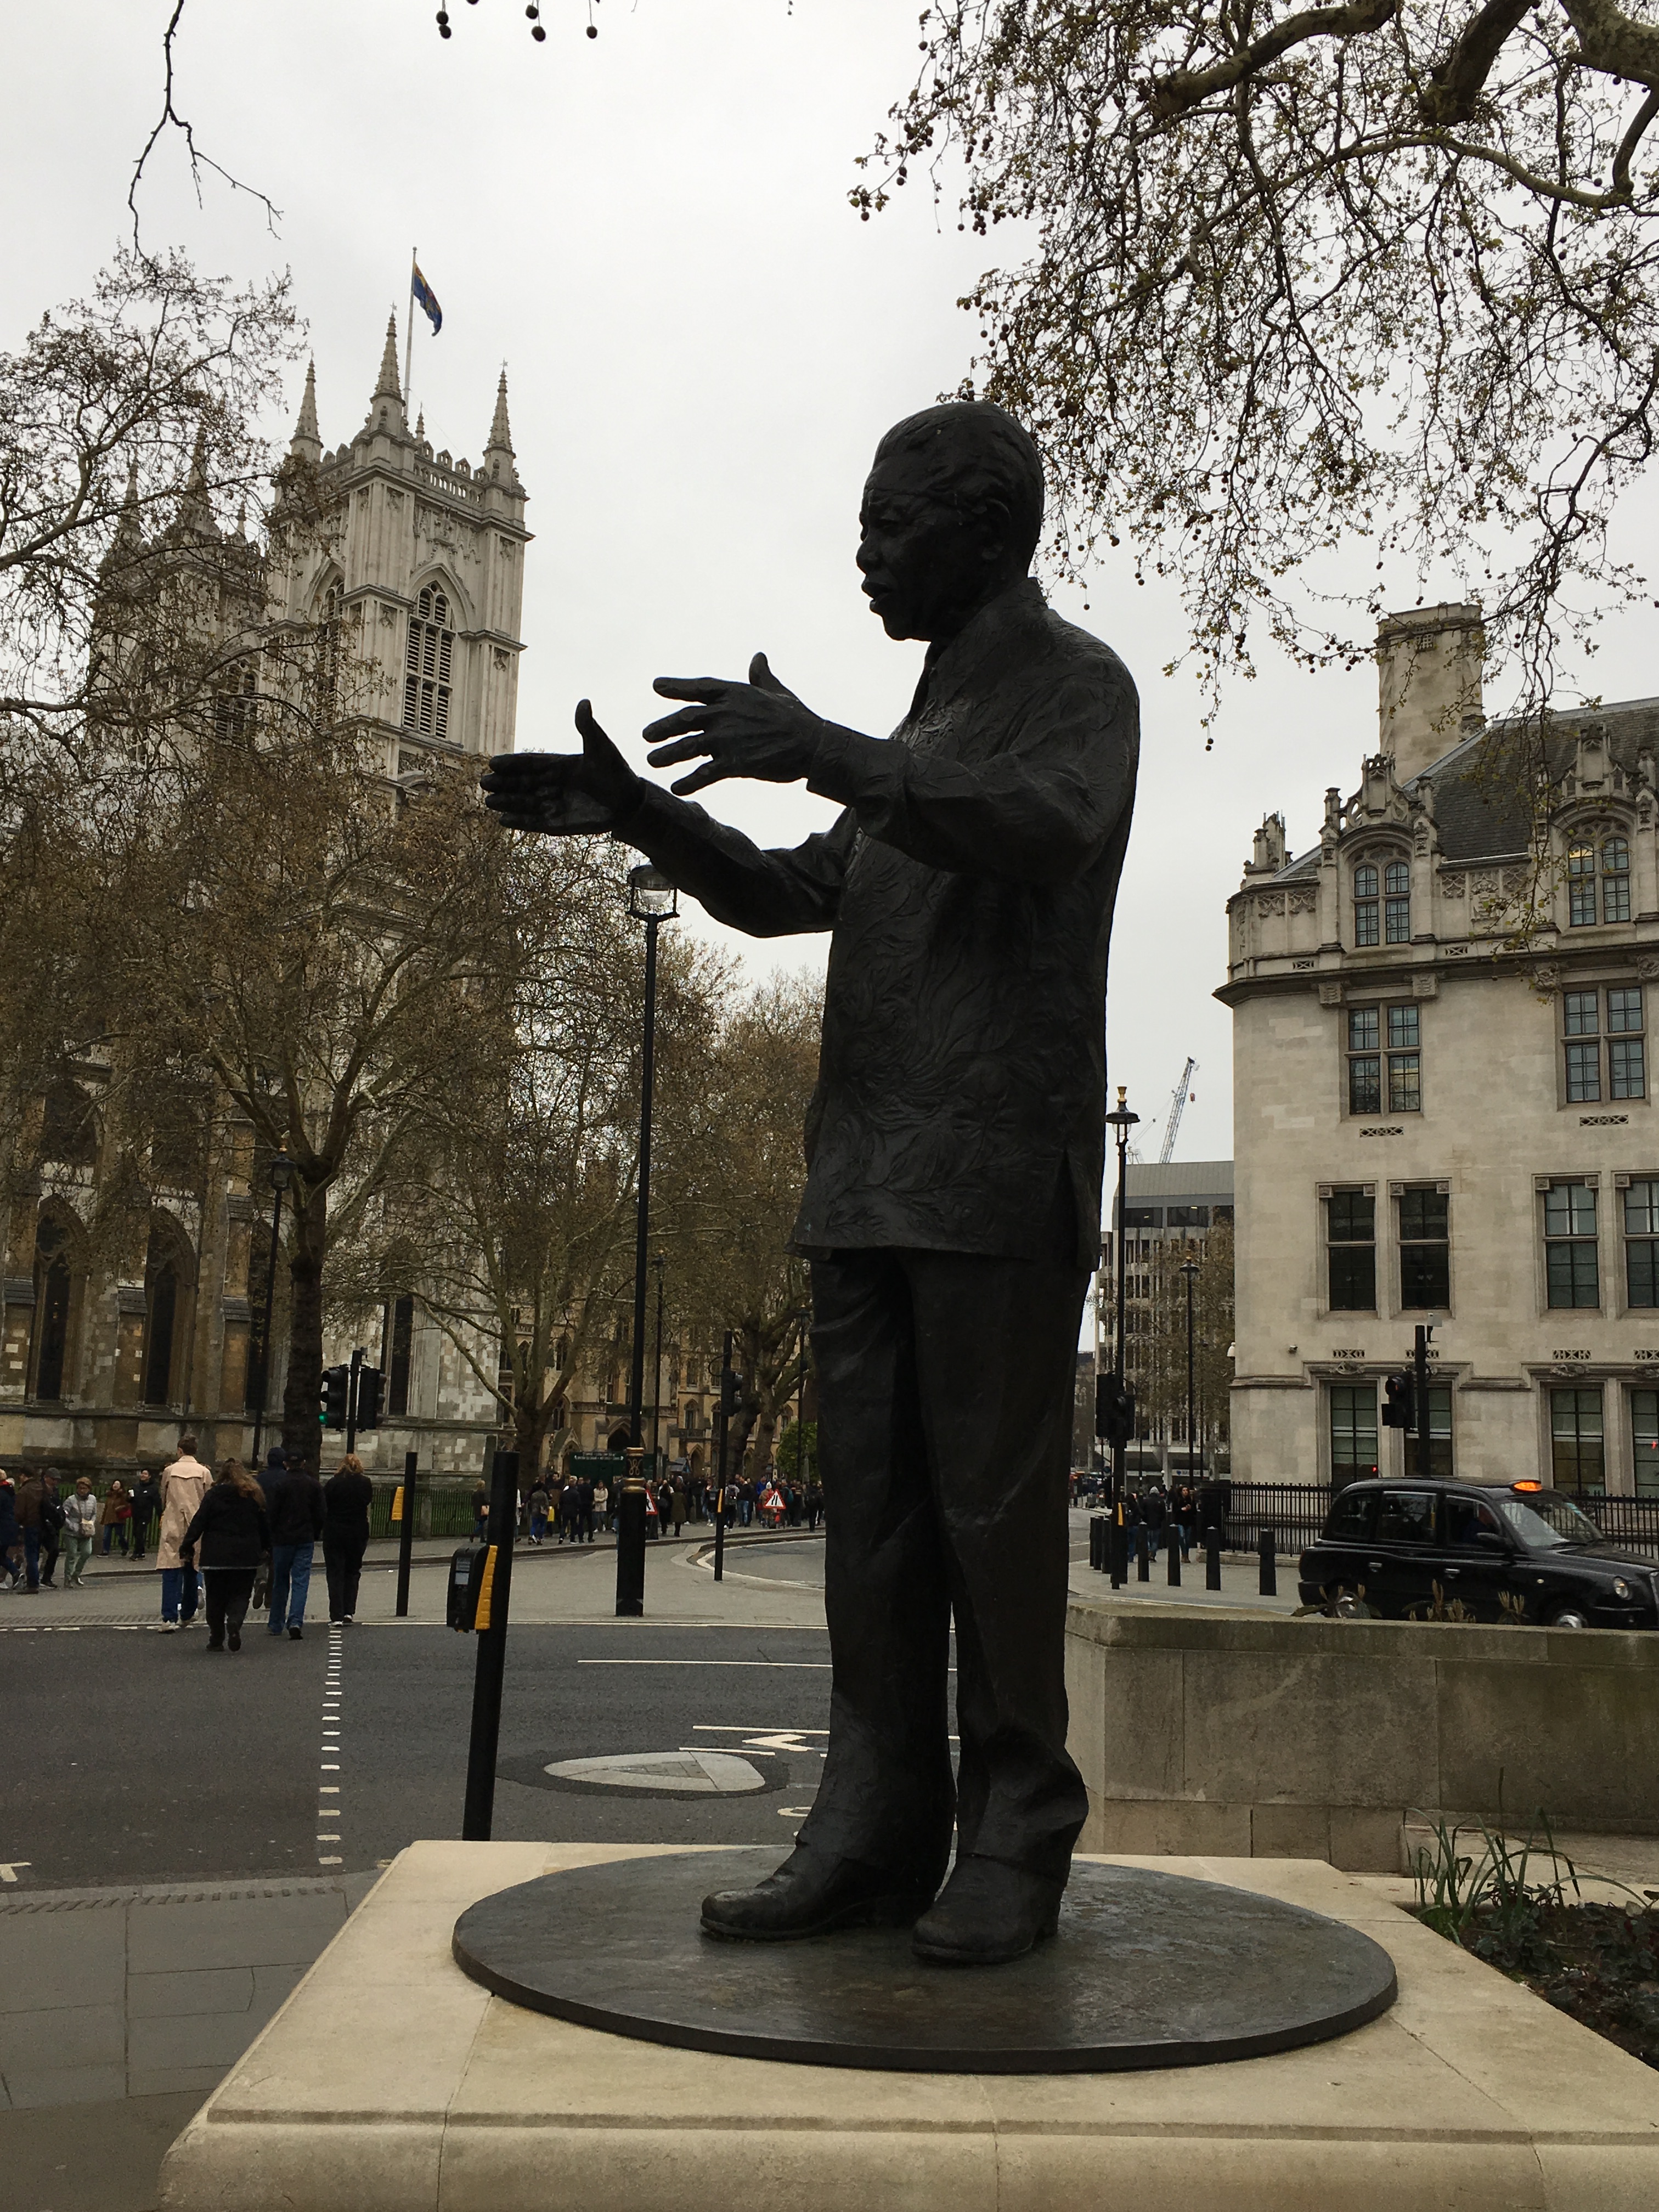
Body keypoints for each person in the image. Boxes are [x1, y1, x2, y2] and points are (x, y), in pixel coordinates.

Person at [482, 399, 1136, 1965]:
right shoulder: (920, 740)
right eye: (860, 528)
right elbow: (787, 894)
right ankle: (874, 1827)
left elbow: (1048, 832)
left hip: (991, 1184)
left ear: (986, 533)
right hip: (864, 1182)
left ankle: (1018, 1830)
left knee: (992, 1529)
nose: (865, 556)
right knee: (877, 1541)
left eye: (890, 529)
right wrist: (642, 813)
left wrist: (831, 751)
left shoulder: (1075, 691)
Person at [180, 1459, 271, 1653]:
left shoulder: (214, 1495)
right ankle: (235, 1621)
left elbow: (199, 1521)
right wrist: (266, 1548)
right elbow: (264, 1525)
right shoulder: (253, 1496)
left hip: (216, 1554)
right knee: (241, 1594)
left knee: (215, 1598)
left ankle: (216, 1638)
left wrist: (187, 1544)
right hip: (246, 1555)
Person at [266, 1453, 324, 1641]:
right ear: (304, 1463)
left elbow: (272, 1514)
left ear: (286, 1464)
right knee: (301, 1580)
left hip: (282, 1539)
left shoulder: (279, 1485)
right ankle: (296, 1621)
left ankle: (276, 1623)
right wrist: (315, 1533)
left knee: (280, 1580)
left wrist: (271, 1536)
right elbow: (321, 1513)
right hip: (304, 1537)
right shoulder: (313, 1485)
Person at [157, 1436, 212, 1629]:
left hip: (173, 1522)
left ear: (179, 1450)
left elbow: (164, 1497)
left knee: (171, 1569)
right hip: (196, 1524)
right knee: (192, 1569)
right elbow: (208, 1500)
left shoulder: (170, 1471)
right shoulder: (204, 1473)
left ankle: (169, 1617)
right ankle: (188, 1612)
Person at [322, 1452, 375, 1623]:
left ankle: (336, 1614)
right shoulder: (365, 1483)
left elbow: (325, 1504)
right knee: (352, 1571)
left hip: (335, 1531)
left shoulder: (333, 1483)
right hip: (357, 1531)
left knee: (335, 1573)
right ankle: (348, 1611)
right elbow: (366, 1501)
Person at [15, 1467, 47, 1592]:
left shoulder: (24, 1491)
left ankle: (33, 1584)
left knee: (31, 1556)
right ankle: (35, 1581)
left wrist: (18, 1523)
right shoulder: (41, 1487)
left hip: (29, 1525)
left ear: (24, 1476)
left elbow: (19, 1512)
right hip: (42, 1524)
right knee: (36, 1553)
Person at [62, 1477, 98, 1587]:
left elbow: (94, 1513)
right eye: (80, 1488)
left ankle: (76, 1574)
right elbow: (64, 1515)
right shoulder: (70, 1500)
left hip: (86, 1531)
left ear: (89, 1489)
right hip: (72, 1532)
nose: (82, 1491)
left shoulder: (93, 1499)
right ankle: (68, 1578)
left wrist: (91, 1523)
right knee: (72, 1554)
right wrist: (71, 1526)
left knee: (87, 1552)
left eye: (85, 1488)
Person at [37, 1474, 64, 1590]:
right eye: (53, 1479)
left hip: (52, 1527)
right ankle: (30, 1578)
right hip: (40, 1525)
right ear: (46, 1478)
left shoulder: (55, 1491)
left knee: (54, 1551)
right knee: (33, 1554)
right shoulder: (40, 1489)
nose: (55, 1482)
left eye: (57, 1480)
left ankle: (47, 1578)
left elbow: (58, 1506)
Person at [128, 1468, 160, 1561]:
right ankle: (141, 1552)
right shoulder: (136, 1486)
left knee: (140, 1532)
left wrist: (160, 1514)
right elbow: (130, 1500)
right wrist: (130, 1497)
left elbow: (157, 1502)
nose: (143, 1476)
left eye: (145, 1474)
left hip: (145, 1514)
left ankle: (136, 1553)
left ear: (149, 1476)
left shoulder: (153, 1488)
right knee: (136, 1533)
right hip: (136, 1513)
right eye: (142, 1474)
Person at [0, 1469, 23, 1591]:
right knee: (2, 1555)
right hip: (10, 1528)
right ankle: (16, 1573)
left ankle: (15, 1573)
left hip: (2, 1528)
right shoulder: (10, 1492)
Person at [98, 1477, 131, 1558]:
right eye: (114, 1484)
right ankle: (105, 1551)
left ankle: (125, 1548)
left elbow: (127, 1505)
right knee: (106, 1535)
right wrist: (103, 1519)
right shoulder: (110, 1495)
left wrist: (120, 1508)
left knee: (120, 1535)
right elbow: (106, 1508)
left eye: (117, 1484)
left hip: (118, 1518)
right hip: (109, 1518)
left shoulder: (123, 1495)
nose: (115, 1486)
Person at [527, 1476, 550, 1545]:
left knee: (534, 1525)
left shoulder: (534, 1495)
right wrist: (548, 1510)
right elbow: (546, 1503)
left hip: (534, 1511)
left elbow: (531, 1502)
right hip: (542, 1511)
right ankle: (539, 1538)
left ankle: (531, 1535)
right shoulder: (544, 1494)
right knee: (542, 1525)